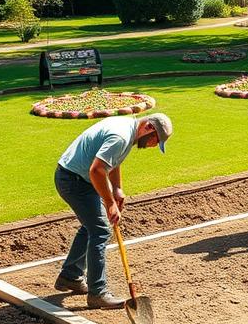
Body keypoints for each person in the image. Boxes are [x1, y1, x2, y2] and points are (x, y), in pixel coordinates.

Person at [54, 113, 173, 308]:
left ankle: (71, 275)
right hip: (74, 180)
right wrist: (109, 202)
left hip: (78, 177)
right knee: (100, 230)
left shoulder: (128, 129)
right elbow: (97, 170)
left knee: (92, 225)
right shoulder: (121, 136)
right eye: (155, 141)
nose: (152, 145)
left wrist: (116, 188)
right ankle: (97, 293)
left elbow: (112, 163)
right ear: (149, 128)